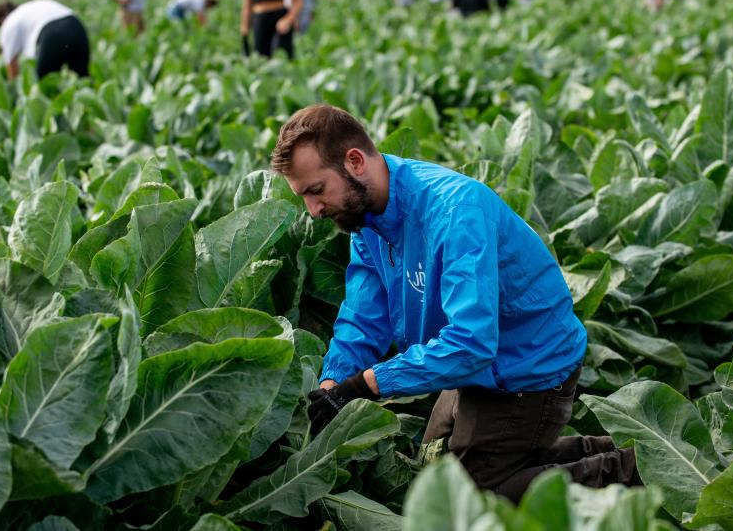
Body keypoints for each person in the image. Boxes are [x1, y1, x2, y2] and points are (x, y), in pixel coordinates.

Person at [271, 105, 640, 503]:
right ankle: (578, 454)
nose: (314, 210)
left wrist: (369, 383)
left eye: (316, 190)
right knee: (435, 466)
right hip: (471, 366)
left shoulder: (454, 210)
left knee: (471, 498)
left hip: (528, 364)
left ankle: (635, 473)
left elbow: (473, 342)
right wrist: (333, 382)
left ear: (355, 162)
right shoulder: (368, 219)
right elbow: (363, 317)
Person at [0, 0, 89, 80]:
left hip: (53, 34)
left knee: (45, 85)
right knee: (82, 78)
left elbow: (12, 68)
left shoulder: (9, 22)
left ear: (2, 20)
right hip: (77, 27)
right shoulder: (30, 8)